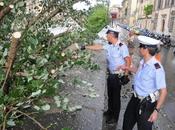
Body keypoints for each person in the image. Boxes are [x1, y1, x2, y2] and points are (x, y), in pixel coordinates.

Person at [81, 27, 131, 124]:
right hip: (111, 75)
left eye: (107, 35)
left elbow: (128, 60)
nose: (106, 36)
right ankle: (110, 111)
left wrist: (126, 75)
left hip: (118, 75)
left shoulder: (121, 46)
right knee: (110, 95)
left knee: (116, 98)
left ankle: (114, 118)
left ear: (112, 35)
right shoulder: (110, 45)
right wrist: (85, 47)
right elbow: (98, 47)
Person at [121, 36, 167, 130]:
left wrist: (156, 111)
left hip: (147, 105)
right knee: (126, 124)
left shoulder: (157, 68)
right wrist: (127, 67)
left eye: (141, 46)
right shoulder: (143, 62)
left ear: (146, 49)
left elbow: (163, 91)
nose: (139, 48)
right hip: (135, 99)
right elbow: (138, 71)